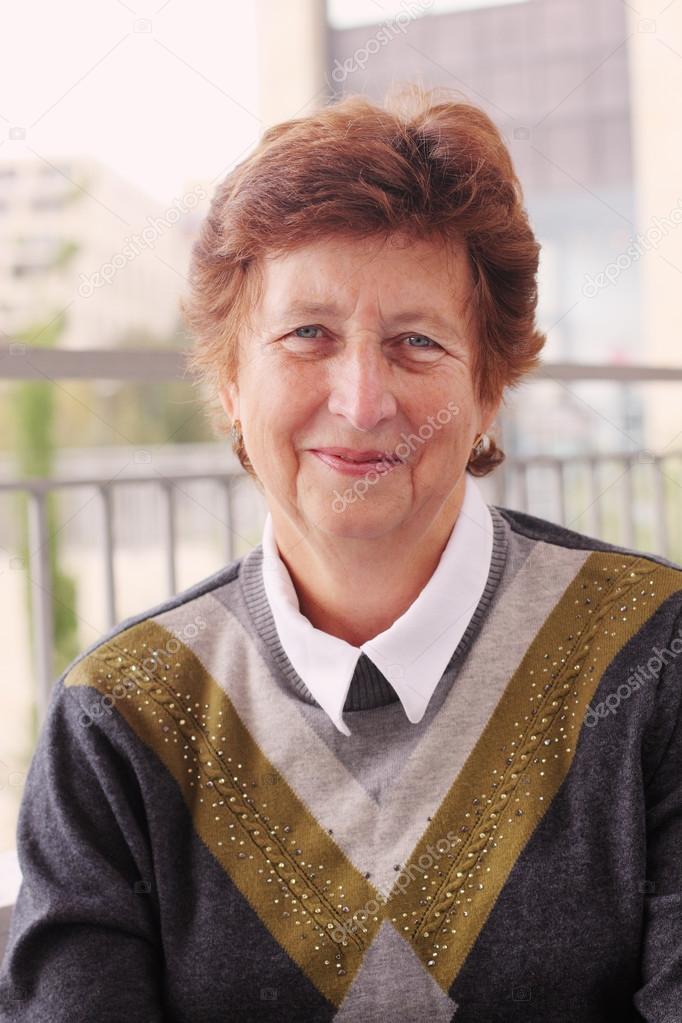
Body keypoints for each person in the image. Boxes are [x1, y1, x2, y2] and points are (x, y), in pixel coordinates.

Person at [1, 83, 681, 1023]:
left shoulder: (654, 657)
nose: (362, 401)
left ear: (489, 390)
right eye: (307, 334)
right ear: (231, 379)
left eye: (415, 342)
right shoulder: (120, 720)